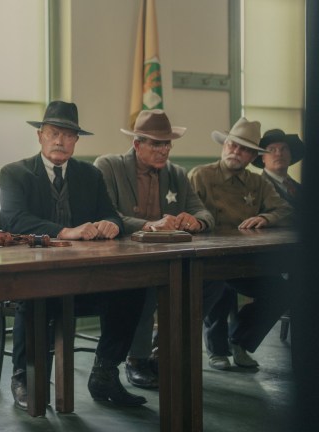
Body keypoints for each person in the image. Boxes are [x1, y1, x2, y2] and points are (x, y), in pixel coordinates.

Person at [0, 100, 147, 410]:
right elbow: (15, 221)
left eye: (68, 136)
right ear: (40, 135)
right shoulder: (15, 173)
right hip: (33, 278)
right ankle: (24, 379)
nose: (60, 141)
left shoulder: (90, 175)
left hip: (82, 281)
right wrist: (64, 231)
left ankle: (105, 373)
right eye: (53, 133)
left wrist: (111, 223)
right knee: (35, 293)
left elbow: (112, 214)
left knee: (132, 289)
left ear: (76, 141)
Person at [94, 109, 217, 389]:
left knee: (212, 282)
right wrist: (151, 225)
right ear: (137, 144)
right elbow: (109, 214)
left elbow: (205, 213)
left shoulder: (177, 174)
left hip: (168, 256)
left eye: (168, 144)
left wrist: (196, 221)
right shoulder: (109, 166)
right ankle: (136, 359)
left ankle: (163, 352)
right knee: (147, 284)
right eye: (156, 144)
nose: (164, 150)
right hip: (121, 257)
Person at [188, 117, 293, 370]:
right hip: (208, 258)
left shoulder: (258, 182)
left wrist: (265, 217)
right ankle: (217, 350)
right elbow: (186, 213)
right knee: (217, 287)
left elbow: (286, 210)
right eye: (233, 145)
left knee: (281, 290)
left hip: (247, 259)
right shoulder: (200, 176)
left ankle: (240, 341)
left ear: (252, 156)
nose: (236, 152)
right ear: (224, 145)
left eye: (244, 149)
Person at [252, 128, 305, 209]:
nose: (279, 153)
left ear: (290, 155)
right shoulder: (256, 190)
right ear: (263, 157)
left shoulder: (302, 188)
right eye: (272, 149)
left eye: (284, 149)